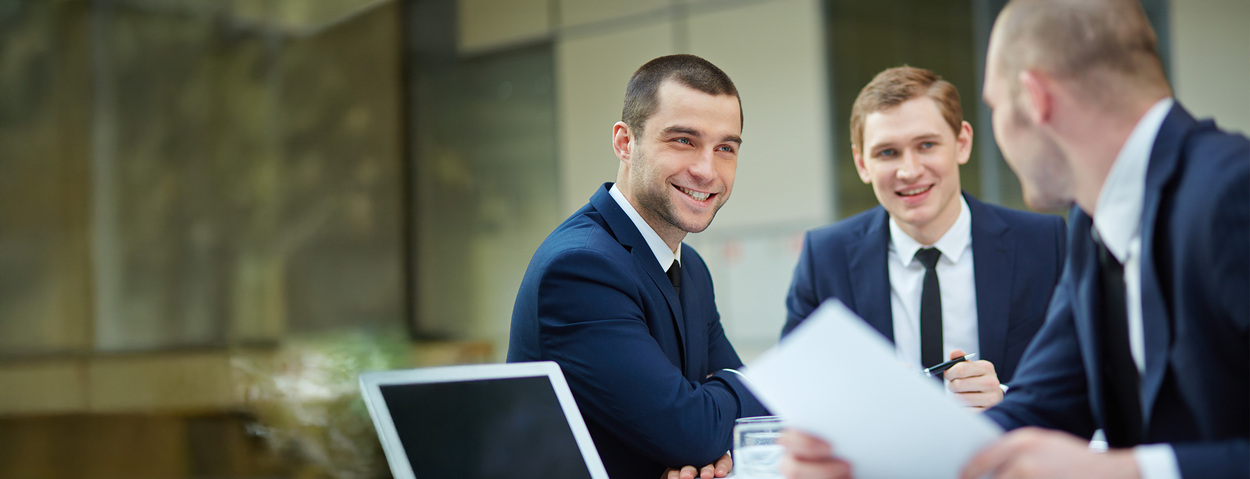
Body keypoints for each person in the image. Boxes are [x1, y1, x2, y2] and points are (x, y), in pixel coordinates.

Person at [778, 1, 1249, 478]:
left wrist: (1125, 471)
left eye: (995, 107)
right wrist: (866, 460)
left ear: (1035, 100)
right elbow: (1044, 403)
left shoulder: (1234, 192)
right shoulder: (1093, 225)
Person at [508, 54, 767, 479]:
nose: (707, 170)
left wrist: (711, 430)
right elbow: (697, 431)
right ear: (625, 142)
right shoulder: (580, 268)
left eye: (725, 148)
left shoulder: (692, 269)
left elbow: (740, 424)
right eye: (683, 140)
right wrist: (740, 398)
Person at [783, 66, 1066, 409]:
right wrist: (860, 402)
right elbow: (793, 389)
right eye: (887, 152)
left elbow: (1082, 379)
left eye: (927, 145)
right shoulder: (825, 257)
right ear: (862, 163)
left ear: (962, 143)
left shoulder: (1044, 244)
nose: (910, 171)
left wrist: (1007, 399)